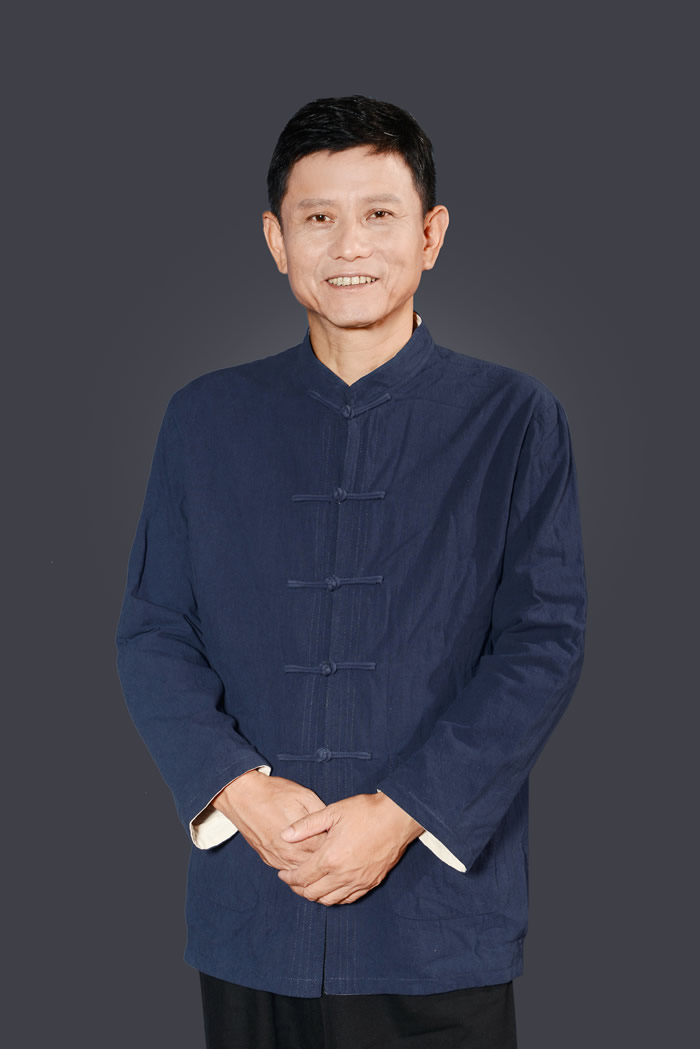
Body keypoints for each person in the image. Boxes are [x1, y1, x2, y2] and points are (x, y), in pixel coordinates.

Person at [116, 95, 587, 1048]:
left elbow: (542, 643)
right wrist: (237, 788)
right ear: (276, 239)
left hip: (439, 920)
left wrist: (404, 812)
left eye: (379, 213)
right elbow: (154, 630)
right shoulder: (203, 418)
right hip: (255, 902)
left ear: (431, 234)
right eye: (318, 217)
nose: (349, 246)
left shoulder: (515, 417)